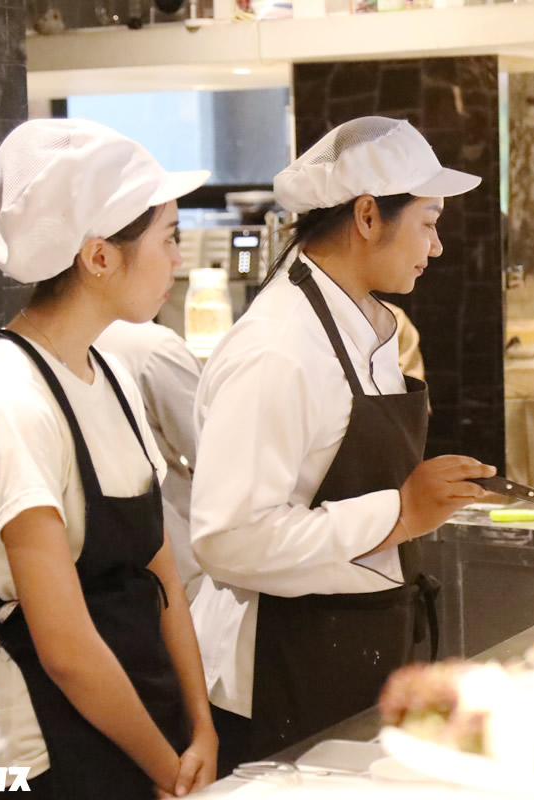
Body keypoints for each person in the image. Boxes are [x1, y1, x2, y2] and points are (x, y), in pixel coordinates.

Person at [187, 116, 497, 774]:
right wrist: (399, 512)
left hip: (356, 647)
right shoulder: (277, 349)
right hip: (282, 672)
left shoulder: (365, 322)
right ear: (367, 215)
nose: (437, 246)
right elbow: (227, 538)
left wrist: (422, 502)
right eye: (428, 222)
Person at [0, 118, 217, 799]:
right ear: (99, 257)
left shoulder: (112, 373)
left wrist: (200, 727)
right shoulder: (12, 398)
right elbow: (66, 650)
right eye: (169, 239)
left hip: (146, 731)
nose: (177, 261)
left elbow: (161, 573)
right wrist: (168, 769)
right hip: (47, 754)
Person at [95, 320, 205, 602]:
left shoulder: (54, 349)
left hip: (107, 570)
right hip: (179, 566)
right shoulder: (155, 350)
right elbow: (216, 460)